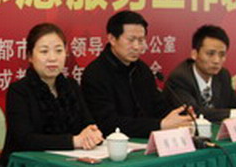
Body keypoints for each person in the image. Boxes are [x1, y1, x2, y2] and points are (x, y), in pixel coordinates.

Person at [0, 23, 103, 167]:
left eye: (58, 51)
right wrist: (75, 141)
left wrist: (93, 133)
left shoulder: (71, 86)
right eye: (44, 51)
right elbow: (25, 139)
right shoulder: (19, 91)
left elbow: (88, 123)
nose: (52, 58)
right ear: (30, 56)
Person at [81, 10, 193, 138]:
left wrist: (180, 118)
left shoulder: (142, 70)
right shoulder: (95, 74)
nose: (136, 46)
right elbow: (107, 124)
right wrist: (160, 125)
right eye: (131, 40)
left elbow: (159, 107)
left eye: (141, 40)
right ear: (112, 39)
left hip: (146, 141)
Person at [165, 25, 236, 122]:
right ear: (194, 54)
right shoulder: (180, 78)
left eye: (222, 55)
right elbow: (194, 113)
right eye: (210, 54)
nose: (216, 60)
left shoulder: (222, 75)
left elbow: (235, 101)